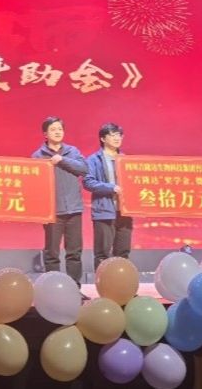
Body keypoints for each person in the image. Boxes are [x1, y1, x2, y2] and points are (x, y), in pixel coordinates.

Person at [32, 116, 88, 285]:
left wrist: (62, 160)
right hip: (52, 212)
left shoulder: (73, 151)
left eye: (60, 129)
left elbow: (84, 169)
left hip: (74, 209)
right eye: (53, 129)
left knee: (74, 252)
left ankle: (74, 288)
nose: (57, 132)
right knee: (52, 253)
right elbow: (34, 184)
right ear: (45, 134)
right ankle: (53, 287)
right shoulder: (38, 156)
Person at [84, 123, 133, 269]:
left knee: (123, 252)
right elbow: (88, 182)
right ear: (103, 138)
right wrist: (111, 188)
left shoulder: (125, 159)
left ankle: (122, 281)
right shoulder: (94, 160)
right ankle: (102, 282)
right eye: (112, 135)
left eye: (119, 135)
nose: (117, 138)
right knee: (102, 254)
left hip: (124, 212)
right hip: (104, 211)